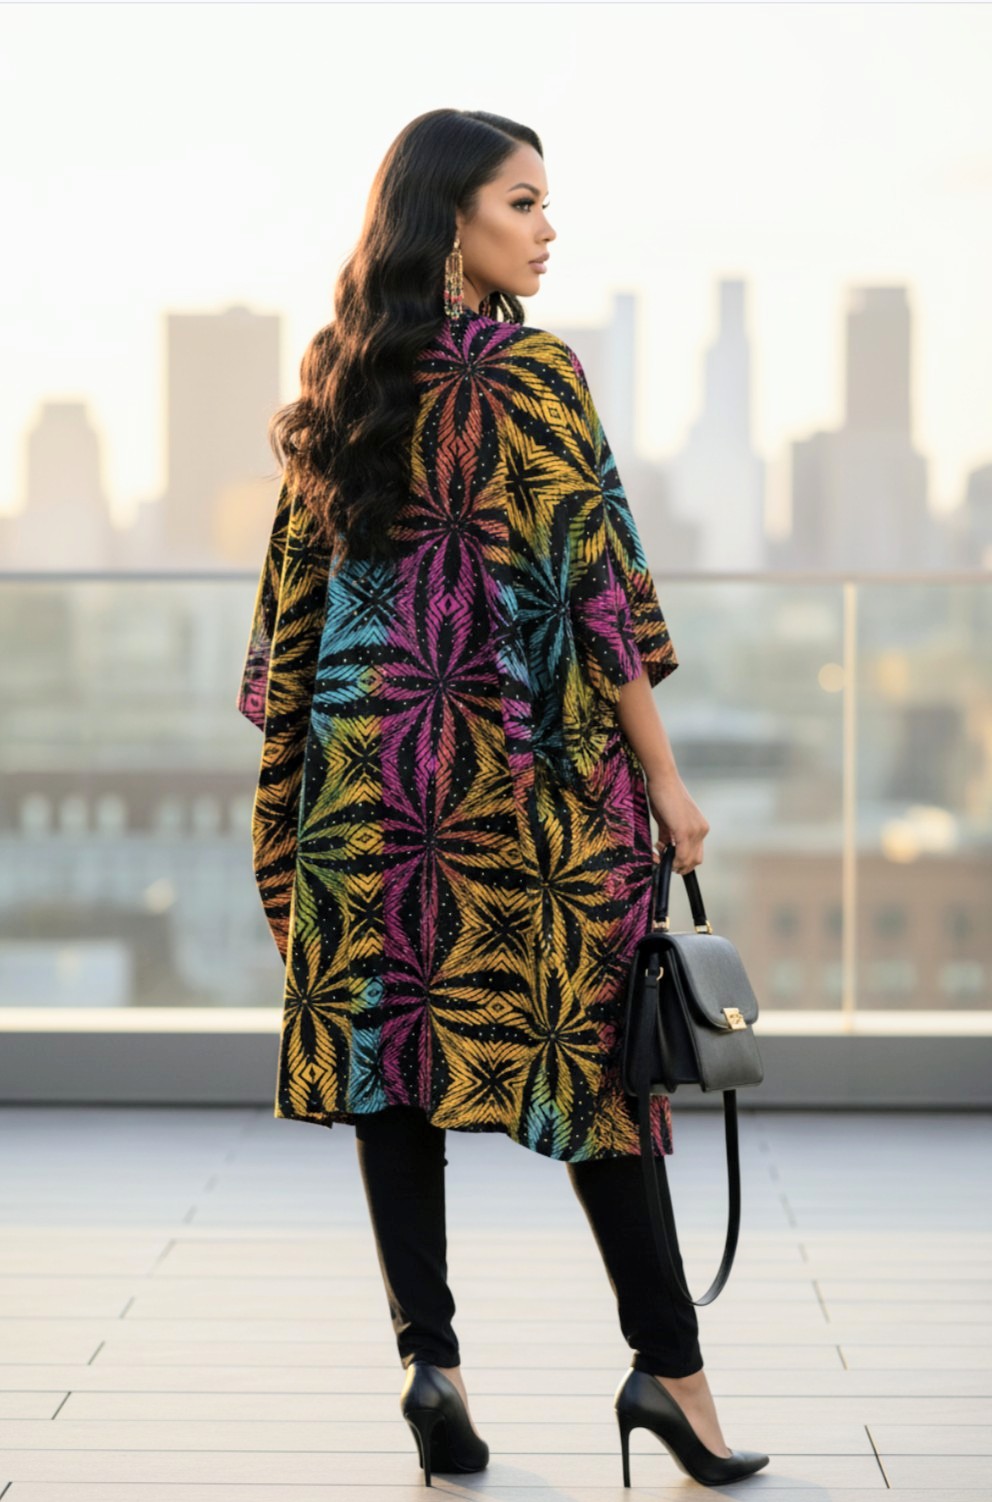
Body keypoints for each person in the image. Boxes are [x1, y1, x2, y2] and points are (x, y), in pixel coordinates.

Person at [237, 108, 769, 1489]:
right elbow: (602, 595)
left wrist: (293, 801)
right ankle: (673, 1376)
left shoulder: (340, 383)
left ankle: (434, 1362)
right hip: (528, 803)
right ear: (453, 222)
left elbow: (289, 624)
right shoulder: (533, 375)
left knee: (393, 1068)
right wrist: (664, 778)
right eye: (522, 201)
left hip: (367, 790)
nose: (546, 227)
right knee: (606, 1079)